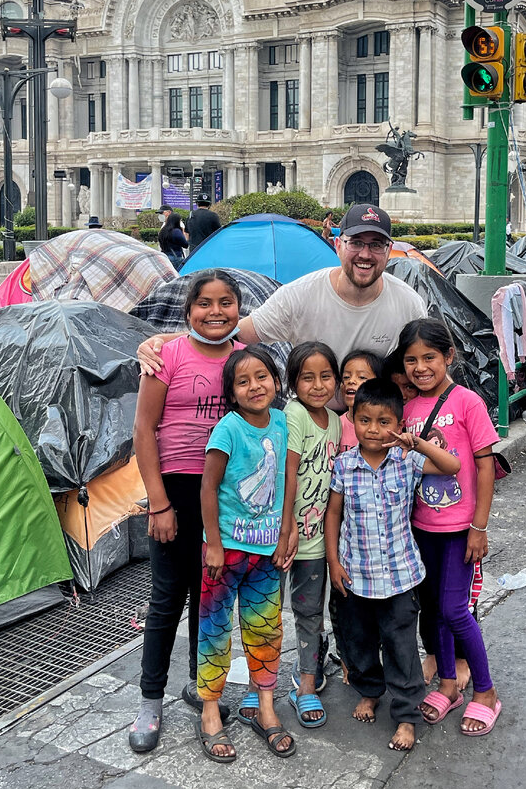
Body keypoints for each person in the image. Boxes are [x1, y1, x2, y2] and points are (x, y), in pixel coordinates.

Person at [127, 270, 243, 753]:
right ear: (187, 310)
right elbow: (143, 429)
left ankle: (202, 685)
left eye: (226, 303)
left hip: (224, 498)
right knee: (167, 598)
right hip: (174, 491)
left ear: (240, 309)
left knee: (210, 599)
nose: (215, 312)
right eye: (205, 303)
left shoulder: (245, 359)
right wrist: (159, 503)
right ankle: (150, 699)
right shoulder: (165, 356)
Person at [325, 379, 461, 752]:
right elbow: (333, 514)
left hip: (401, 577)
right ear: (352, 419)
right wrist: (334, 561)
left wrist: (414, 442)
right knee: (361, 642)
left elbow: (453, 465)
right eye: (365, 420)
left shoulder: (407, 459)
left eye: (384, 421)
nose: (373, 429)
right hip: (356, 575)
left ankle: (406, 714)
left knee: (401, 646)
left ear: (398, 424)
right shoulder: (344, 465)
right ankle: (369, 691)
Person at [137, 204, 425, 373]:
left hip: (373, 426)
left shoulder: (408, 304)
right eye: (357, 243)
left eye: (376, 245)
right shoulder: (301, 294)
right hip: (309, 424)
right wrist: (163, 340)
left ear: (389, 251)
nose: (365, 254)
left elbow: (428, 365)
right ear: (338, 245)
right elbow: (238, 333)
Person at [397, 318, 502, 736]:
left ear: (449, 357)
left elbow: (485, 467)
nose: (420, 367)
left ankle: (487, 692)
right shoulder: (407, 408)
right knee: (435, 609)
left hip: (461, 528)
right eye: (411, 360)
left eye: (429, 358)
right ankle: (446, 684)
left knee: (456, 609)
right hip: (423, 527)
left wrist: (480, 526)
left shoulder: (467, 403)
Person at [196, 347, 298, 762]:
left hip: (267, 552)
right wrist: (214, 545)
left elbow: (286, 478)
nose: (255, 386)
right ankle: (209, 714)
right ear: (232, 393)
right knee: (215, 632)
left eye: (263, 377)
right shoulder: (228, 429)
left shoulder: (281, 422)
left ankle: (266, 708)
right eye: (243, 381)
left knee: (266, 631)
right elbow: (207, 488)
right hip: (227, 552)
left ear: (276, 382)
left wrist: (286, 527)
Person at [280, 342, 341, 728]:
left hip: (316, 542)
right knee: (265, 615)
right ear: (293, 383)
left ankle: (306, 687)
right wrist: (286, 528)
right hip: (284, 538)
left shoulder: (335, 421)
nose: (317, 385)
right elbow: (288, 475)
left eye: (325, 377)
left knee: (309, 615)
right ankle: (261, 686)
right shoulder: (294, 414)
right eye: (307, 377)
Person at [338, 350, 384, 451]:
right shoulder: (336, 425)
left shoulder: (387, 424)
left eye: (362, 377)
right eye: (346, 377)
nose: (351, 381)